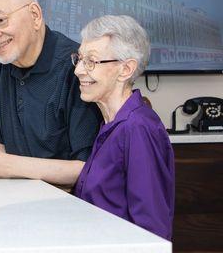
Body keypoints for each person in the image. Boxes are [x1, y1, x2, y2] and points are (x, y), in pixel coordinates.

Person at [0, 0, 101, 186]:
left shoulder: (76, 67)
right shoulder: (8, 61)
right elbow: (2, 144)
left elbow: (86, 168)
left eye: (0, 20)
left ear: (35, 15)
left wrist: (4, 165)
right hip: (18, 199)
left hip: (67, 207)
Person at [72, 15, 174, 240]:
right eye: (79, 59)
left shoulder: (138, 128)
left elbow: (152, 231)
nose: (78, 70)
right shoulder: (111, 124)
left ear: (126, 69)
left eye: (91, 61)